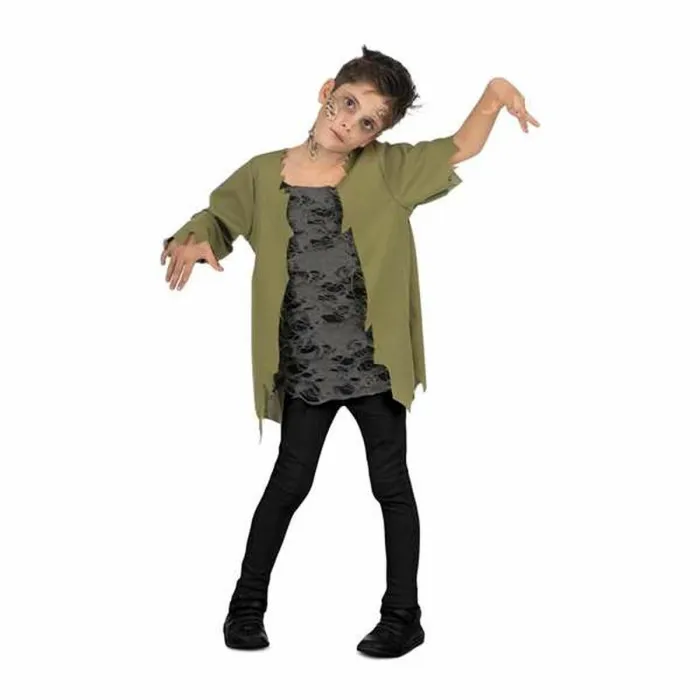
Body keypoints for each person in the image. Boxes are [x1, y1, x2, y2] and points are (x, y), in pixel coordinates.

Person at [160, 45, 539, 658]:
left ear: (376, 135)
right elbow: (218, 217)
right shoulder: (262, 172)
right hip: (305, 368)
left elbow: (458, 148)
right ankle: (245, 608)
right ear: (326, 91)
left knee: (391, 486)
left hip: (374, 368)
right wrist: (194, 239)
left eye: (369, 122)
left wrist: (495, 94)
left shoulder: (388, 171)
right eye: (347, 104)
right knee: (288, 484)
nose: (350, 123)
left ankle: (403, 616)